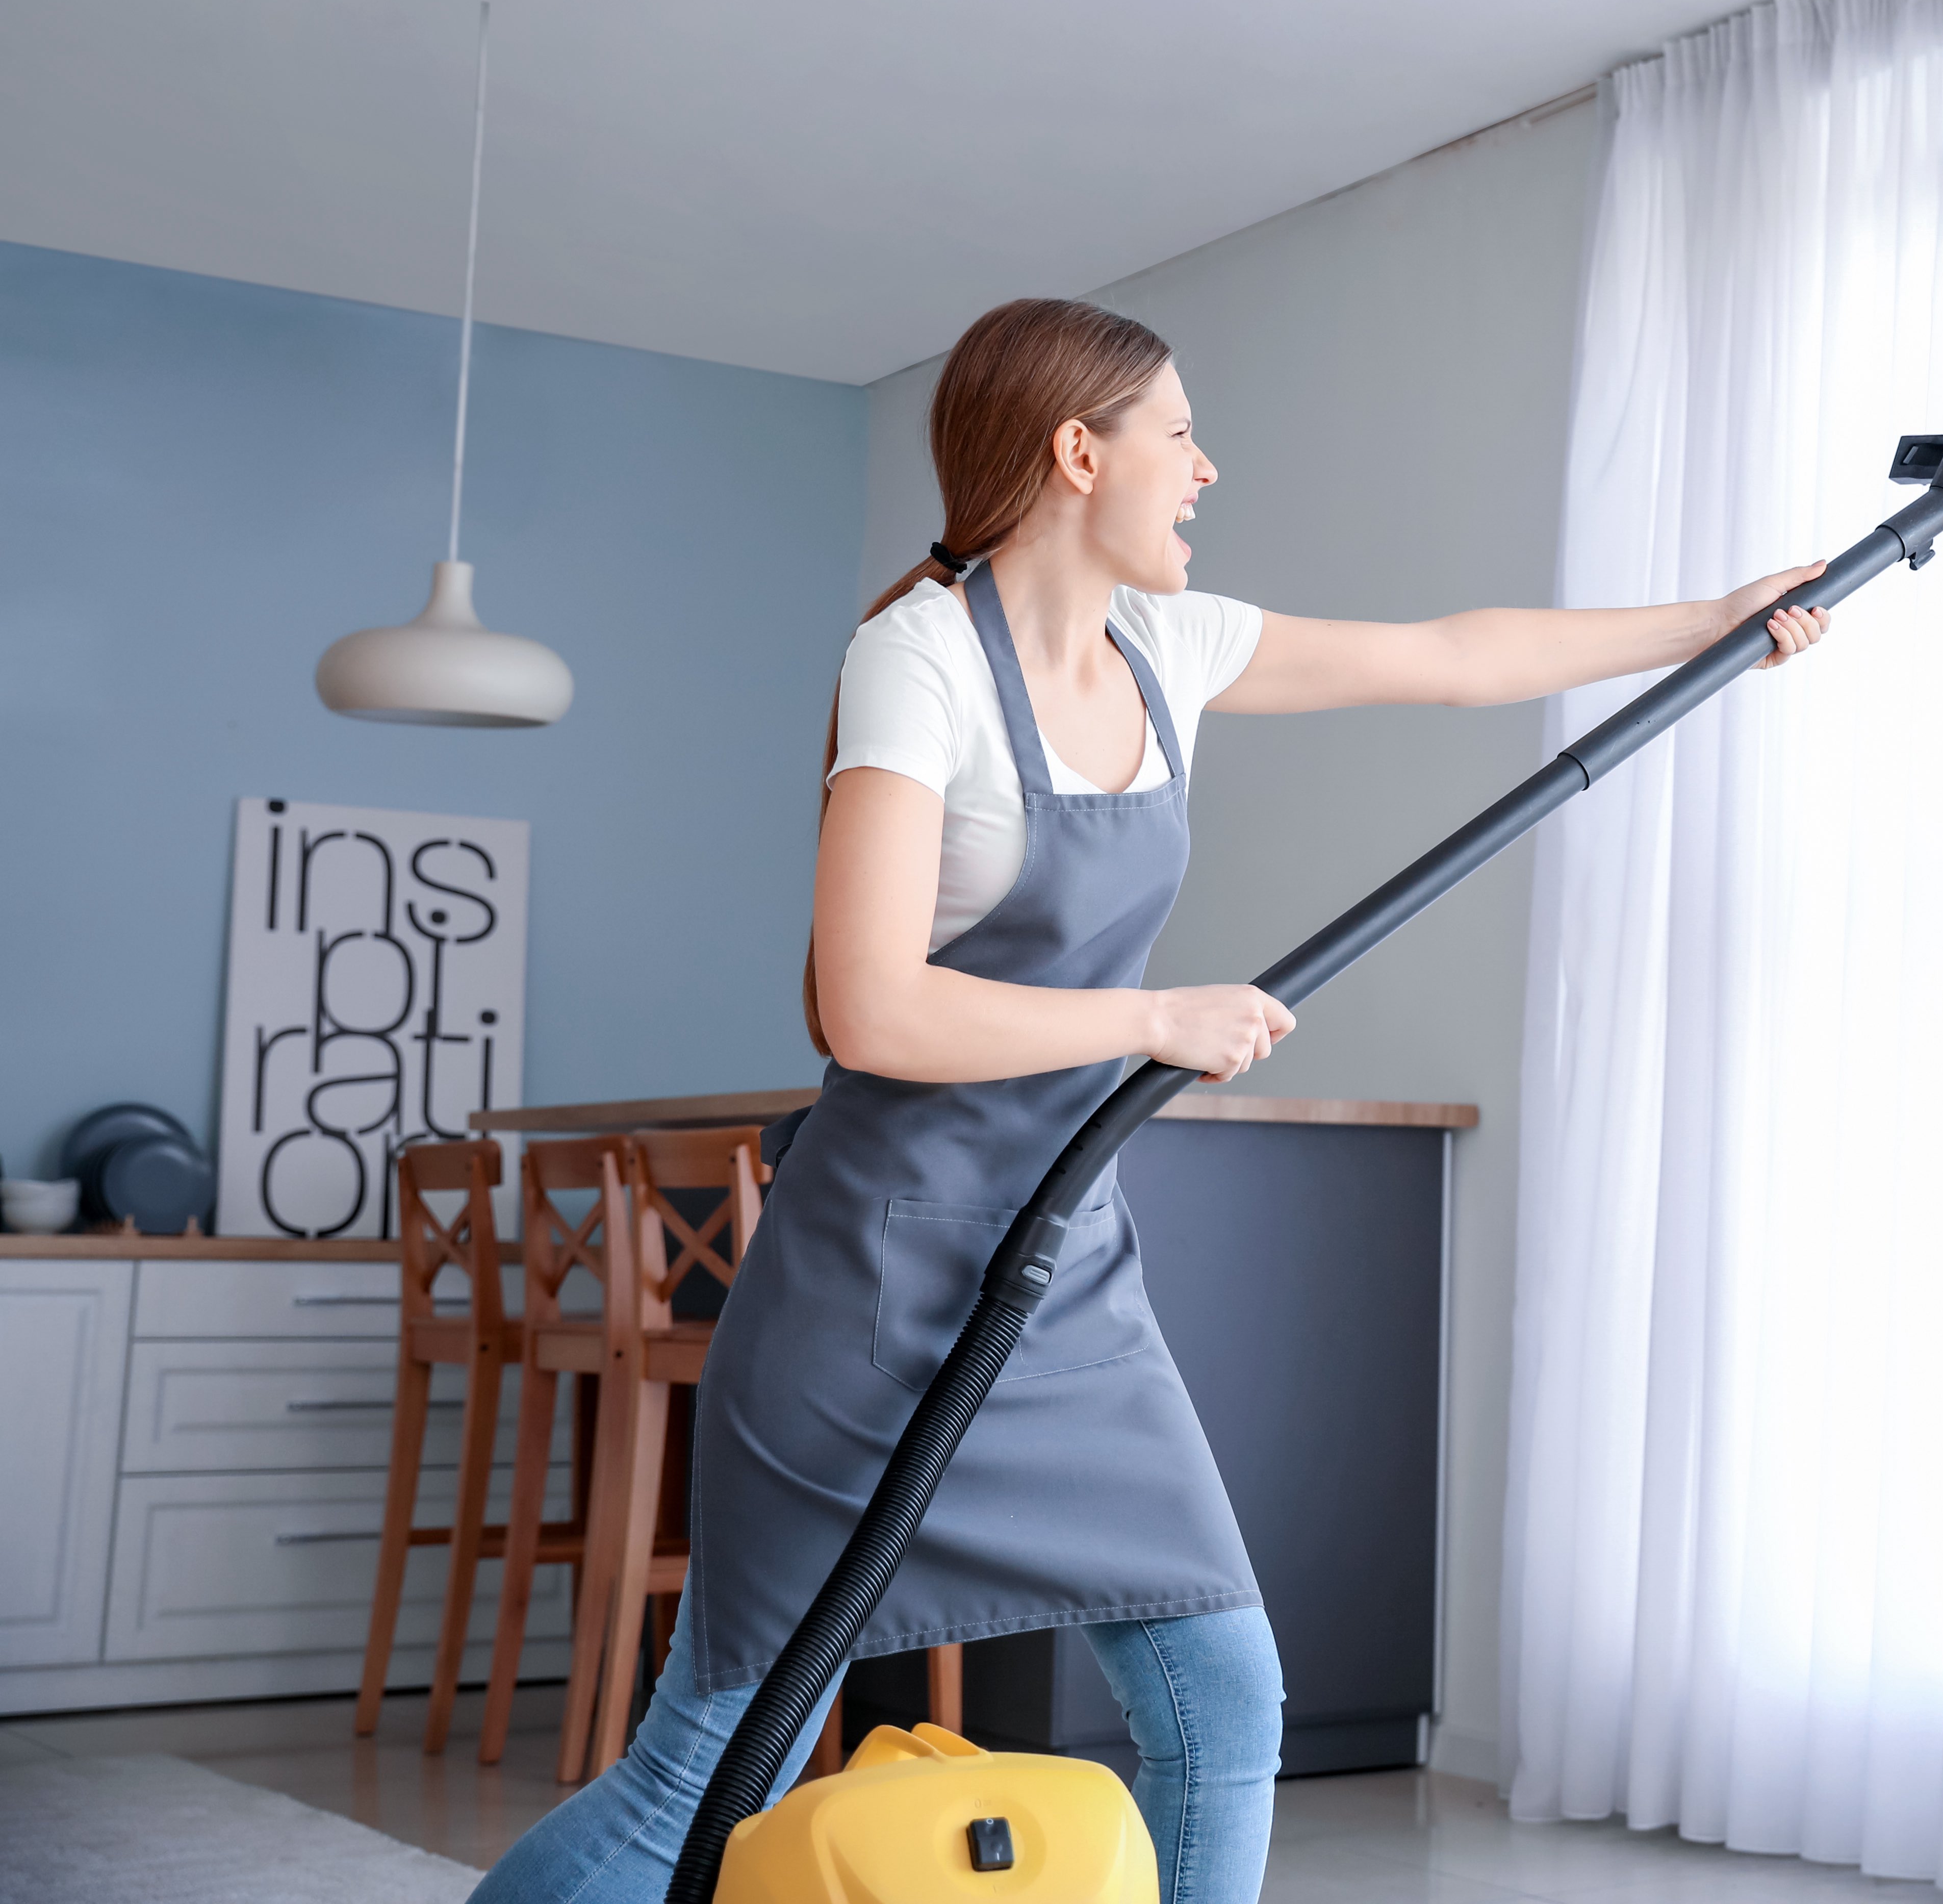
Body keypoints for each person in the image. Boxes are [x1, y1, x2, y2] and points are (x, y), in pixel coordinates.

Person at [474, 298, 1828, 1902]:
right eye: (1177, 434)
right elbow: (870, 1001)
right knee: (713, 1764)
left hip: (1061, 1273)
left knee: (1224, 1692)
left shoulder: (1165, 652)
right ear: (1076, 452)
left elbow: (1457, 658)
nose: (1204, 467)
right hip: (876, 1286)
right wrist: (1150, 1019)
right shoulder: (917, 662)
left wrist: (1720, 621)